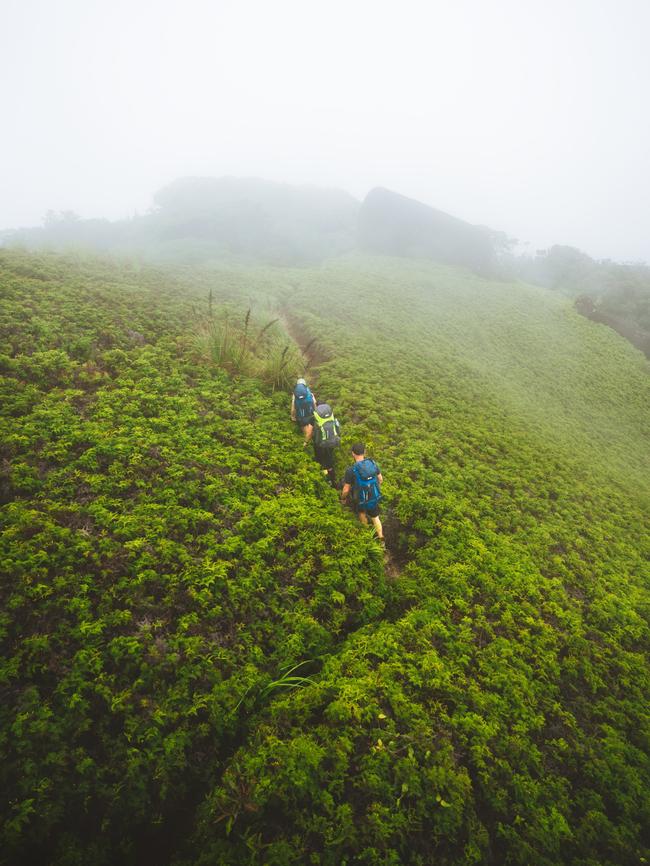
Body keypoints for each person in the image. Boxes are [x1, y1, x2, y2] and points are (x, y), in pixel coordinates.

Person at [341, 442, 384, 541]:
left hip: (361, 498)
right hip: (374, 496)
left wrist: (343, 499)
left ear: (353, 453)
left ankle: (368, 538)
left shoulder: (351, 470)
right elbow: (380, 479)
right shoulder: (372, 463)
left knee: (362, 514)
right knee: (375, 517)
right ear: (364, 452)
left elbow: (346, 489)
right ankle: (381, 539)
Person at [312, 402, 341, 487]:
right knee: (329, 458)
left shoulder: (317, 418)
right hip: (332, 442)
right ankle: (333, 480)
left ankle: (326, 479)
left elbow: (314, 433)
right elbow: (338, 430)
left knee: (322, 461)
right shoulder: (331, 416)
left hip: (320, 444)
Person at [291, 378, 316, 445]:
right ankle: (309, 441)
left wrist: (292, 416)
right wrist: (315, 411)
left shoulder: (295, 394)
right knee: (310, 429)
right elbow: (315, 402)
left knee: (304, 429)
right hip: (310, 414)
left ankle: (305, 442)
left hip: (300, 416)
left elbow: (293, 408)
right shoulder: (309, 391)